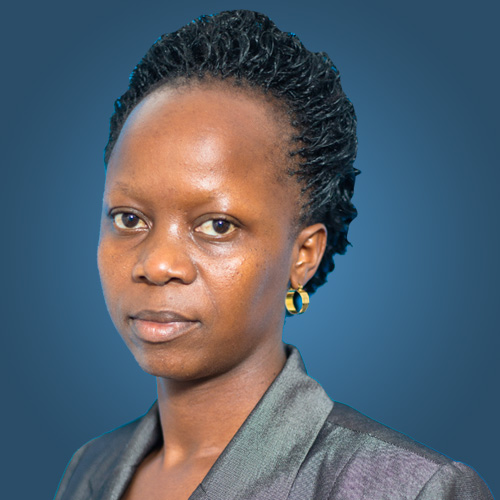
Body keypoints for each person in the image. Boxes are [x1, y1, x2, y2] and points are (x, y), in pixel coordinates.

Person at [53, 10, 493, 500]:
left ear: (303, 256)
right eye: (129, 218)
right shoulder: (91, 470)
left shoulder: (409, 490)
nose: (157, 264)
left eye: (217, 226)